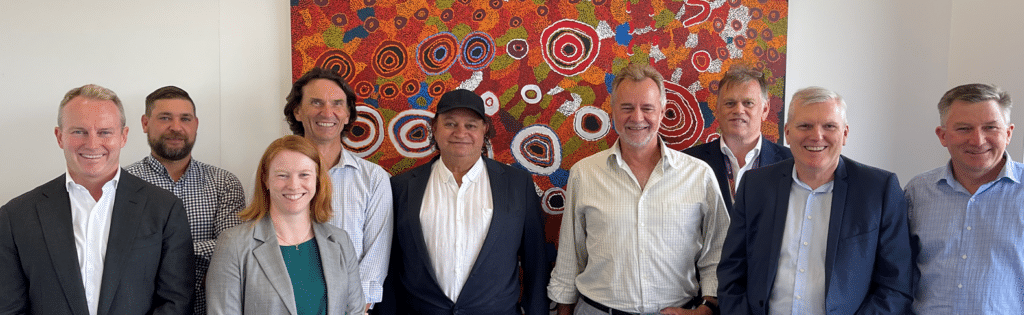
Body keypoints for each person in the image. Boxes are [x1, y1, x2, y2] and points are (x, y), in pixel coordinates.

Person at [548, 63, 729, 315]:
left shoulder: (699, 175)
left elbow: (718, 252)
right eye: (626, 108)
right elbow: (570, 257)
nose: (637, 118)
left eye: (647, 108)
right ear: (612, 112)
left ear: (662, 111)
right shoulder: (585, 173)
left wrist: (707, 307)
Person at [717, 86, 913, 315]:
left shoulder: (879, 190)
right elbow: (732, 270)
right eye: (805, 126)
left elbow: (896, 285)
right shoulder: (755, 186)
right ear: (788, 132)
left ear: (845, 133)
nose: (817, 136)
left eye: (829, 126)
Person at [0, 84, 194, 314]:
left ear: (123, 136)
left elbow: (176, 302)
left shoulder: (164, 209)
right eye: (79, 131)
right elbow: (8, 308)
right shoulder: (16, 216)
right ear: (59, 136)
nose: (92, 144)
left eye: (104, 132)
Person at [380, 89, 548, 314]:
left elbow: (535, 263)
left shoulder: (518, 185)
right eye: (450, 124)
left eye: (471, 125)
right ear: (434, 128)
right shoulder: (401, 187)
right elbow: (389, 266)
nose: (461, 133)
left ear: (484, 130)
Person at [206, 135, 364, 314]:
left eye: (304, 175)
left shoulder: (340, 240)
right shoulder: (234, 244)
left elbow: (355, 310)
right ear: (265, 180)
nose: (294, 185)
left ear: (318, 179)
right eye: (282, 175)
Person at [126, 85, 246, 315]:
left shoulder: (224, 183)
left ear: (196, 124)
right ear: (145, 123)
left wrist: (157, 254)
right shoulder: (123, 185)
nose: (176, 127)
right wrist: (201, 257)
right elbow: (122, 257)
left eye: (185, 119)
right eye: (165, 118)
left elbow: (230, 250)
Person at [904, 83, 1023, 314]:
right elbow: (898, 273)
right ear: (943, 136)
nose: (978, 140)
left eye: (990, 127)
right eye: (964, 129)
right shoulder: (917, 192)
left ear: (1008, 133)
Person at [285, 68, 392, 311]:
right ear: (298, 111)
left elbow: (375, 258)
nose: (327, 112)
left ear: (347, 114)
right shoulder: (272, 173)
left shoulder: (374, 178)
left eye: (337, 104)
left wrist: (354, 309)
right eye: (316, 103)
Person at [684, 65, 792, 210]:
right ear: (717, 110)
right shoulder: (689, 162)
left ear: (765, 110)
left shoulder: (791, 162)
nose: (739, 110)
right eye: (730, 103)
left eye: (748, 103)